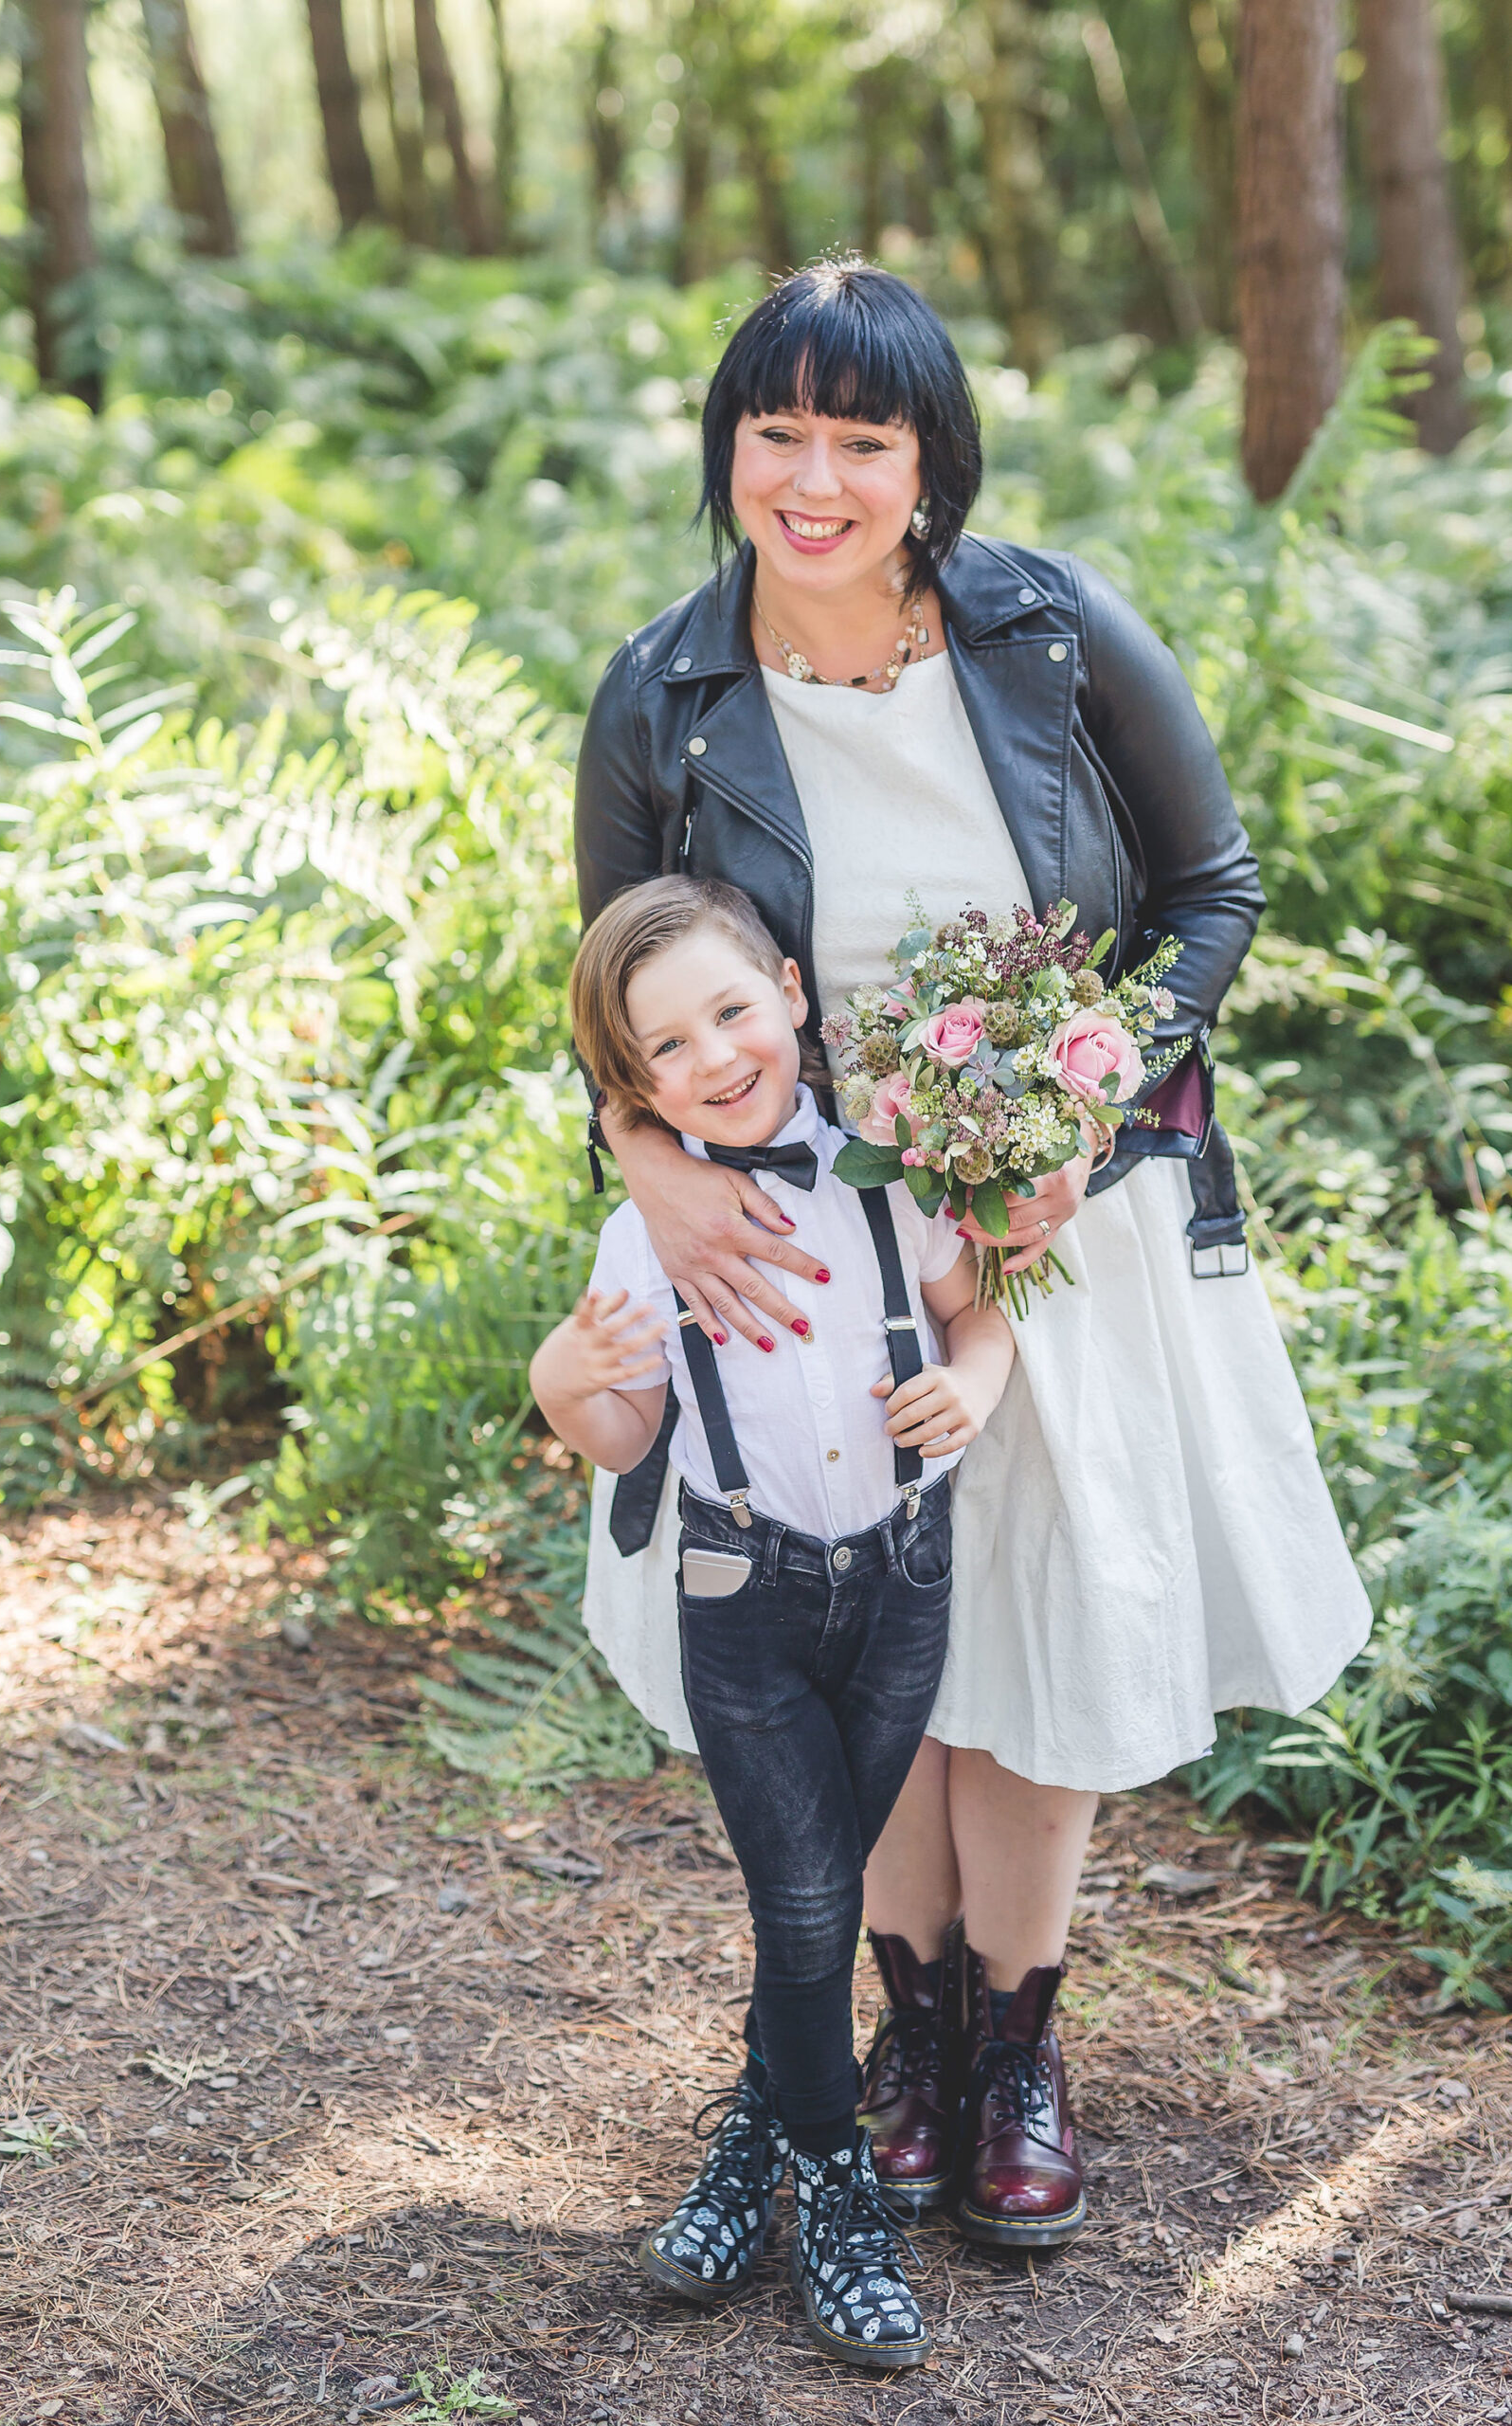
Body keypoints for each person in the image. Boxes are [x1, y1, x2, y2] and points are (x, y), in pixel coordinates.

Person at [571, 257, 1373, 2247]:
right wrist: (643, 1155)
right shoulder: (664, 687)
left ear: (928, 461)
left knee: (1033, 1629)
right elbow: (605, 987)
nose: (814, 476)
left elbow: (1206, 892)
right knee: (877, 1647)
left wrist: (1077, 1124)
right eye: (778, 432)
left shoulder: (1047, 627)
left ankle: (1017, 2038)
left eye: (862, 436)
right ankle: (904, 2032)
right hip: (805, 1242)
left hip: (1049, 1229)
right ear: (727, 449)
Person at [530, 875, 1015, 2368]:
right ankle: (841, 2195)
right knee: (805, 1909)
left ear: (793, 995)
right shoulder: (648, 1240)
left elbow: (981, 1310)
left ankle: (753, 2145)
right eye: (666, 1049)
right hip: (744, 1599)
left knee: (813, 1912)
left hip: (903, 1585)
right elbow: (622, 1439)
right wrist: (564, 1379)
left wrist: (974, 1389)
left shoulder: (896, 1178)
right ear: (633, 1090)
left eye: (732, 1012)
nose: (715, 1057)